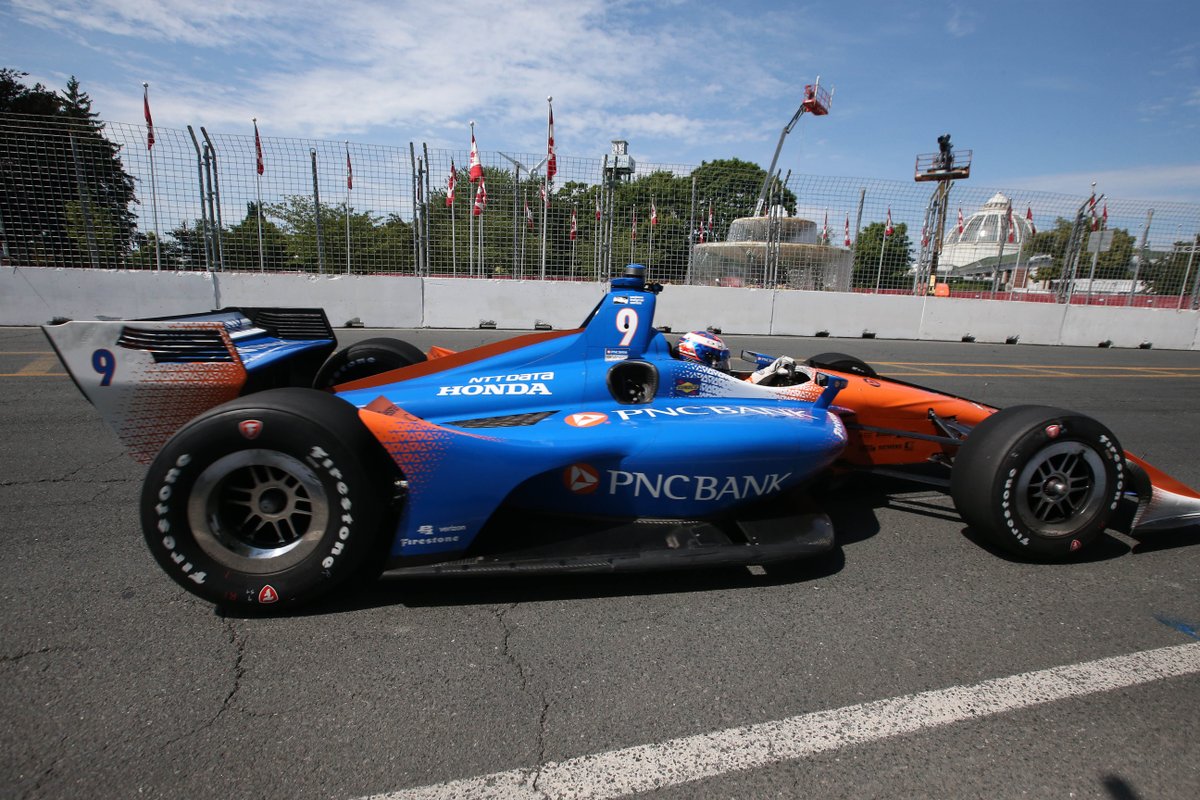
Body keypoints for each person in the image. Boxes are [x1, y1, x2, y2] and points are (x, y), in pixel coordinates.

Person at [676, 331, 796, 385]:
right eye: (718, 361)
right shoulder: (686, 384)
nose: (721, 365)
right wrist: (767, 372)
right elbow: (732, 390)